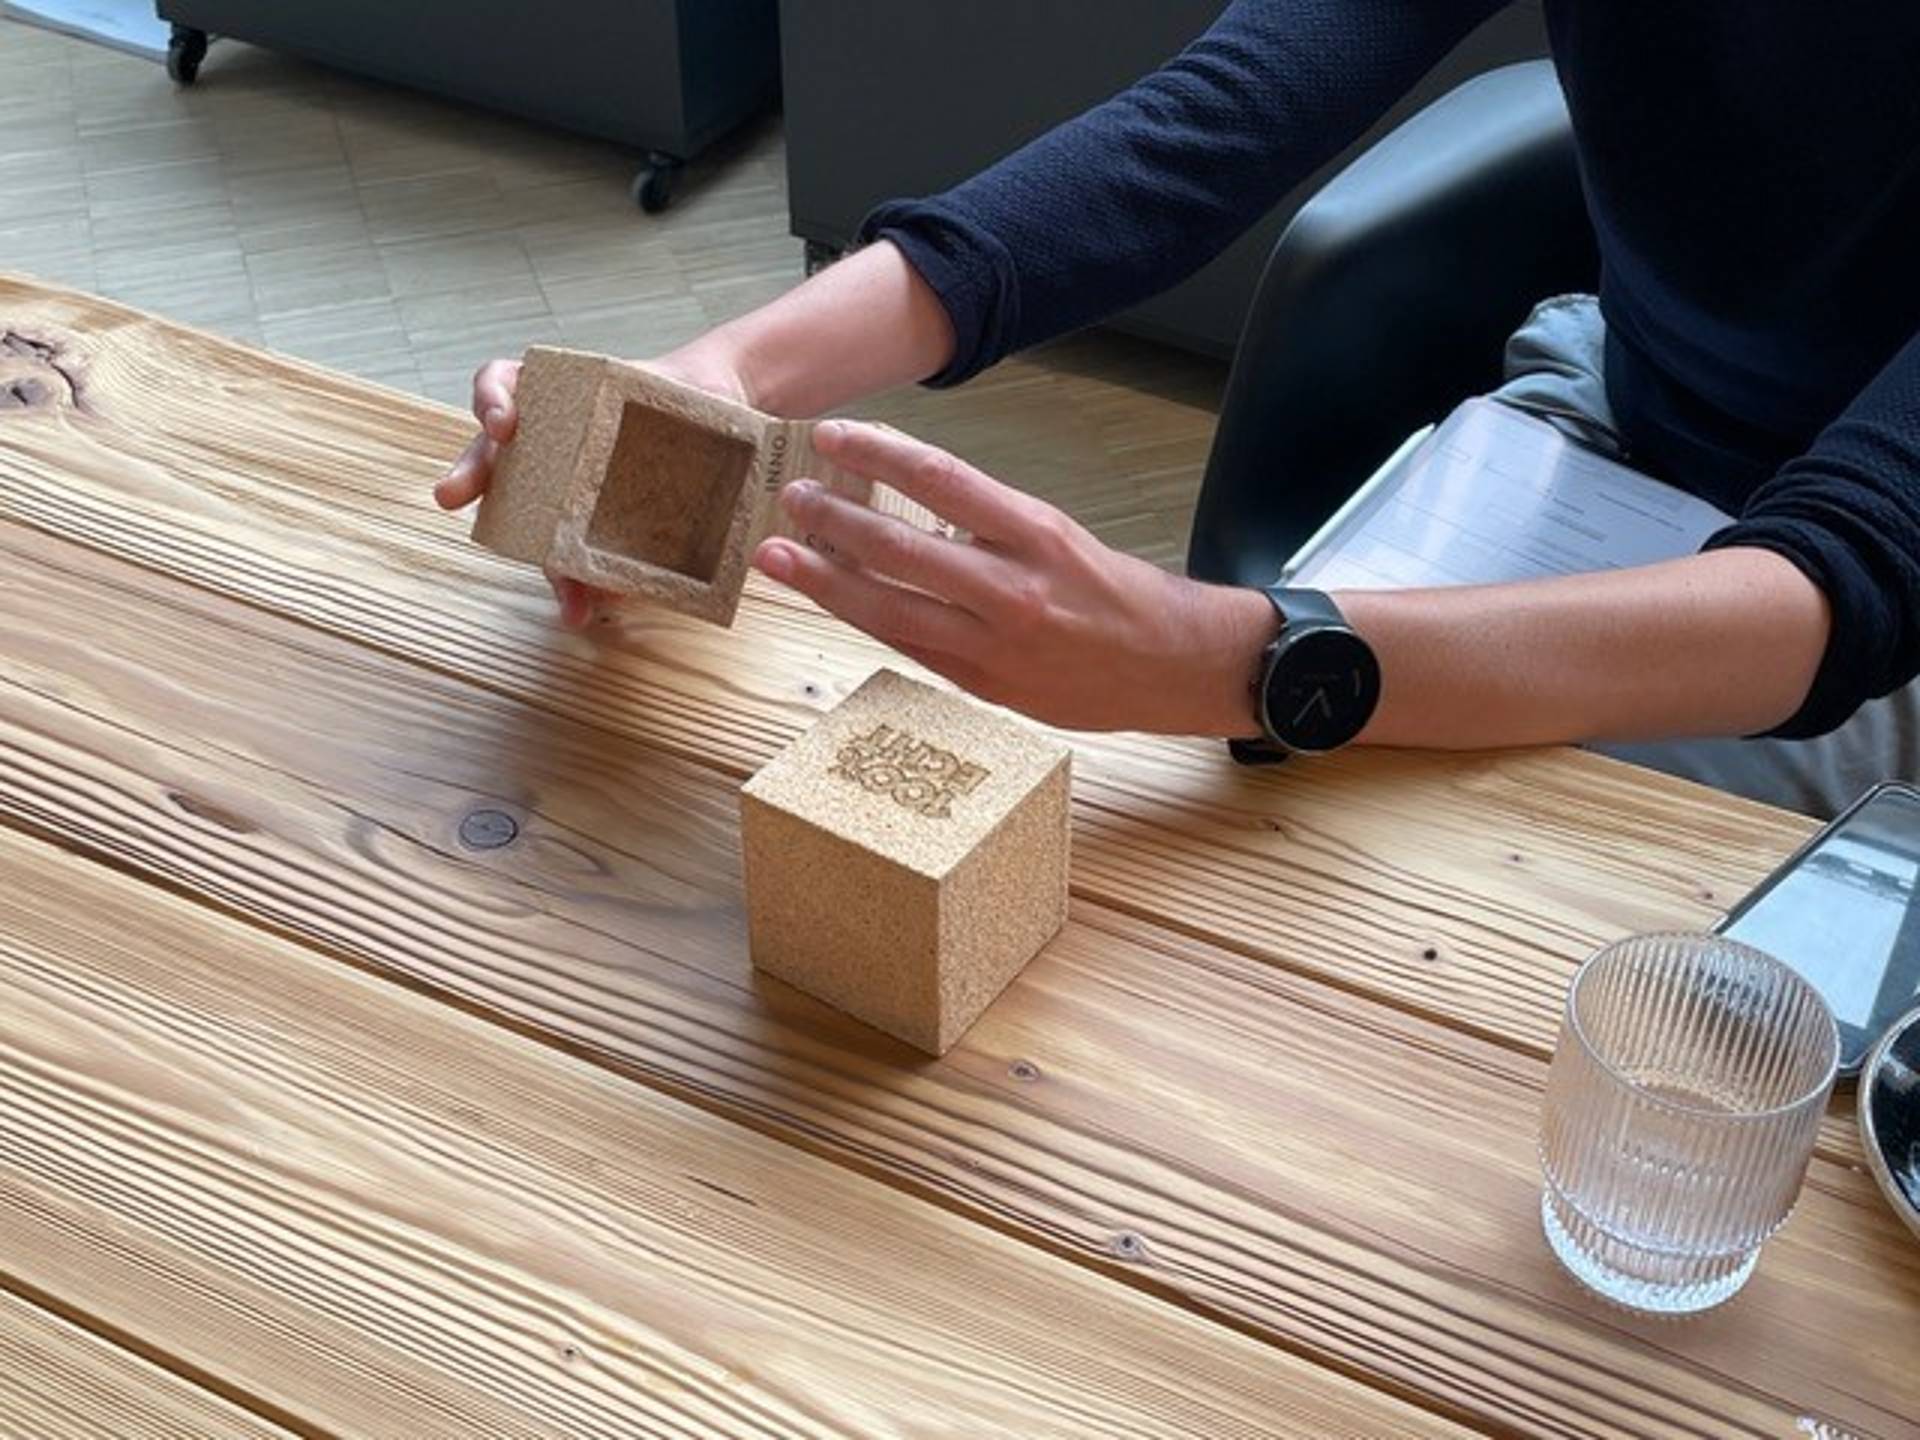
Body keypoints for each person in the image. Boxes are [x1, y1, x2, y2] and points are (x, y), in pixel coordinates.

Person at [437, 2, 1920, 818]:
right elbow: (1214, 122)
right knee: (1276, 832)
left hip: (1848, 611)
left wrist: (1228, 655)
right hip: (1616, 405)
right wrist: (732, 373)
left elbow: (1842, 579)